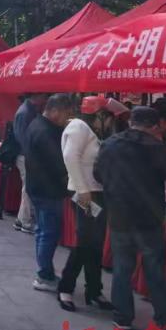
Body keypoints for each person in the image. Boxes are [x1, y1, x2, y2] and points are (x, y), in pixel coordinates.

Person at [94, 106, 166, 330]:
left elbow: (97, 173)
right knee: (154, 268)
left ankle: (122, 317)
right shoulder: (159, 149)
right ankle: (165, 320)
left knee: (122, 267)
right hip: (149, 217)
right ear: (154, 126)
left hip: (119, 214)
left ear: (131, 122)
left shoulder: (110, 144)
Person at [56, 96, 114, 312]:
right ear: (99, 115)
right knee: (85, 241)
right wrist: (83, 190)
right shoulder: (79, 127)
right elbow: (70, 157)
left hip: (95, 193)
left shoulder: (91, 131)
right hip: (85, 194)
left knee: (95, 242)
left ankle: (94, 289)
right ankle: (66, 287)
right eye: (108, 117)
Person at [22, 93, 73, 292]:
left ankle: (45, 271)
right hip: (47, 189)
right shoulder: (44, 131)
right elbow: (58, 162)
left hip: (38, 186)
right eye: (66, 113)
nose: (67, 118)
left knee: (43, 230)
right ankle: (44, 275)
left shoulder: (38, 125)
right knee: (48, 232)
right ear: (54, 111)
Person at [13, 93, 48, 235]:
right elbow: (22, 138)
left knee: (27, 188)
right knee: (27, 188)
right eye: (44, 97)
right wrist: (32, 155)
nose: (45, 100)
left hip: (26, 155)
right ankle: (25, 221)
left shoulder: (29, 110)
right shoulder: (25, 112)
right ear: (37, 96)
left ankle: (21, 219)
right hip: (25, 155)